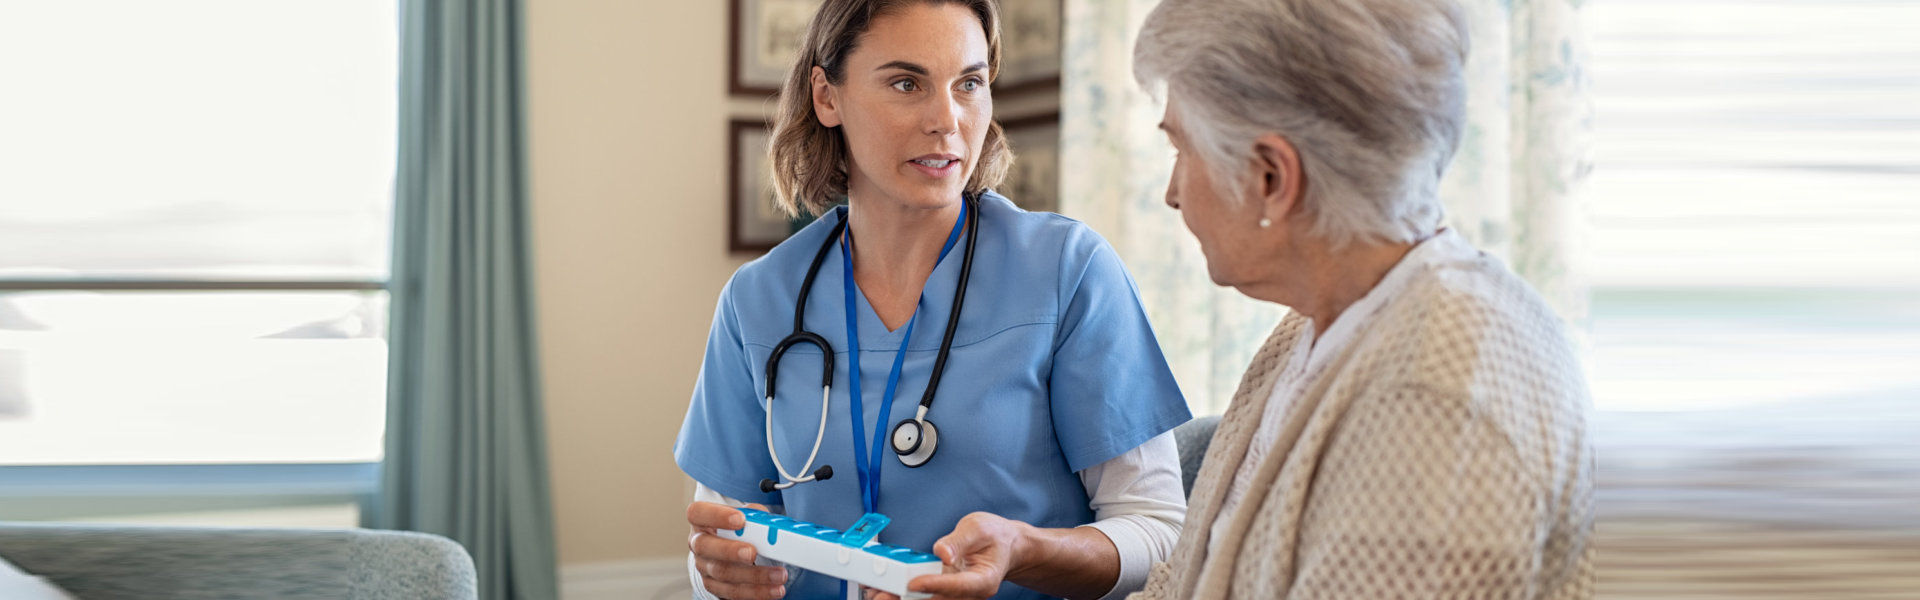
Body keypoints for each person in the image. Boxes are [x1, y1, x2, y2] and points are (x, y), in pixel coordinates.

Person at [673, 1, 1192, 599]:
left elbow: (1160, 534)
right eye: (905, 82)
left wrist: (1023, 551)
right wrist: (718, 575)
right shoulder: (758, 299)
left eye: (969, 83)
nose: (947, 119)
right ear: (827, 97)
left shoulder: (1068, 271)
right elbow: (719, 542)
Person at [1112, 0, 1599, 597]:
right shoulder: (1316, 325)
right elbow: (1185, 582)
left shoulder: (1435, 397)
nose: (1172, 193)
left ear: (1271, 177)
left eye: (1181, 150)